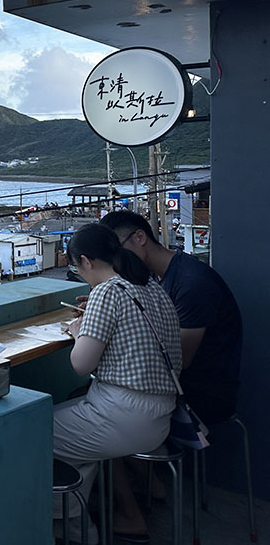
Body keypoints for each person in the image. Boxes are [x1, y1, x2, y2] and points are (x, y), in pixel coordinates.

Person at [53, 224, 181, 540]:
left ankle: (70, 525)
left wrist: (77, 330)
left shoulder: (106, 292)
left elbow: (81, 364)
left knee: (29, 429)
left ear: (85, 261)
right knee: (77, 439)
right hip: (161, 416)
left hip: (122, 415)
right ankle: (77, 525)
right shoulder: (151, 286)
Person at [101, 210, 243, 425]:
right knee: (98, 400)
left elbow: (180, 360)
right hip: (174, 385)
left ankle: (144, 456)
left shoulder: (192, 284)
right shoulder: (155, 278)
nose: (114, 262)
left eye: (115, 251)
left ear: (140, 238)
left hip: (203, 393)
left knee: (110, 410)